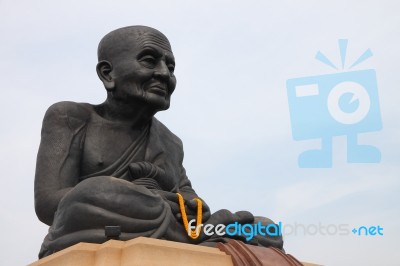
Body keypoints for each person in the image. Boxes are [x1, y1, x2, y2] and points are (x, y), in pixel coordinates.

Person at [34, 25, 283, 258]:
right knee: (96, 190)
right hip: (98, 223)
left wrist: (190, 206)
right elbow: (48, 204)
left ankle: (189, 237)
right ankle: (189, 238)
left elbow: (193, 205)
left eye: (171, 67)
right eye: (149, 61)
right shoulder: (70, 117)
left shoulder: (171, 142)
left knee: (265, 228)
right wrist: (147, 197)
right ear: (108, 74)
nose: (164, 74)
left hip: (168, 224)